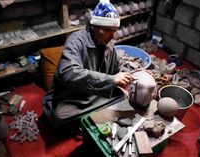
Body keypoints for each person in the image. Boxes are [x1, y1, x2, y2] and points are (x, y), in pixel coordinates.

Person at [42, 0, 134, 128]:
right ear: (93, 26)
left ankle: (89, 116)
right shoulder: (75, 41)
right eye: (107, 30)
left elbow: (116, 68)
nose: (112, 36)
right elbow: (68, 73)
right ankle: (94, 113)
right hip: (73, 95)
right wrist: (111, 79)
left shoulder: (108, 43)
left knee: (123, 96)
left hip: (96, 91)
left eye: (114, 30)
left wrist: (125, 74)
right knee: (59, 115)